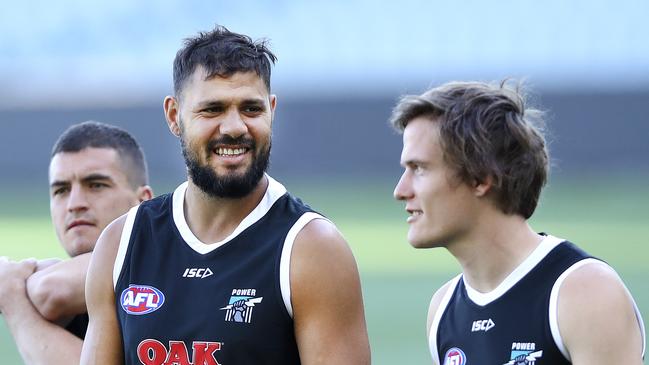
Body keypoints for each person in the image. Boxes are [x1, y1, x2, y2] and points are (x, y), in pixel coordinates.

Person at [81, 26, 370, 365]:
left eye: (251, 109)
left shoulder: (311, 248)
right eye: (213, 109)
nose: (234, 127)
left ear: (272, 110)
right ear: (175, 116)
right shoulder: (121, 242)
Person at [390, 81, 645, 365]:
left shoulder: (584, 292)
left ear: (481, 178)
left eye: (419, 169)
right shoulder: (442, 311)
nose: (400, 190)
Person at [0, 121, 153, 365]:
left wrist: (12, 297)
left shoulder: (159, 256)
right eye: (61, 190)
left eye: (96, 185)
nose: (75, 203)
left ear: (143, 201)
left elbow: (50, 291)